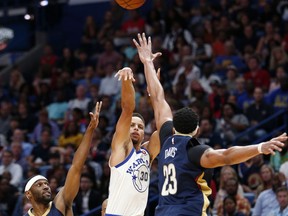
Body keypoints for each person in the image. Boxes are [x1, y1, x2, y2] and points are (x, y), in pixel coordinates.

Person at [133, 32, 288, 215]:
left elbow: (158, 98)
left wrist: (148, 63)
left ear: (174, 126)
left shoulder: (166, 135)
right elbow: (227, 156)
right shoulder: (194, 151)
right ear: (197, 130)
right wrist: (260, 147)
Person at [24, 101, 102, 216]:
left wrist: (90, 129)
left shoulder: (60, 204)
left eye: (46, 183)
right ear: (28, 194)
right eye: (39, 185)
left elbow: (76, 166)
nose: (46, 186)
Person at [104, 67, 160, 216]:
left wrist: (155, 93)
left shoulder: (146, 153)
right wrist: (126, 80)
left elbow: (165, 128)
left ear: (144, 132)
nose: (136, 129)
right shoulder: (121, 147)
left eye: (140, 127)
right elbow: (127, 108)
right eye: (132, 125)